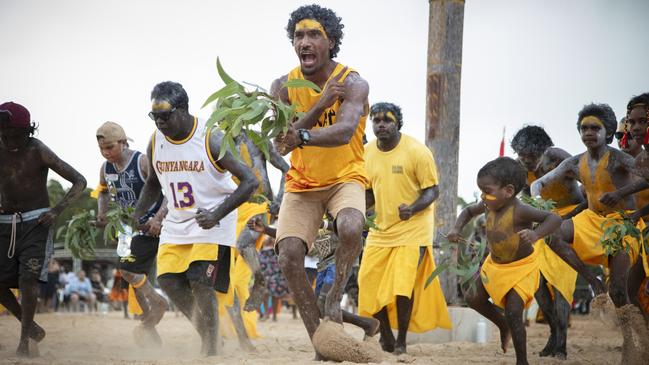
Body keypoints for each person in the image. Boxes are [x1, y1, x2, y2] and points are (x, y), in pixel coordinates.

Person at [270, 5, 369, 352]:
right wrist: (320, 104)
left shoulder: (353, 82)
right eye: (299, 35)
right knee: (288, 257)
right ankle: (321, 344)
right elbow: (281, 145)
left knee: (352, 227)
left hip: (346, 177)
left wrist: (304, 134)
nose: (305, 42)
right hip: (302, 183)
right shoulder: (282, 86)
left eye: (314, 35)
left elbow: (344, 132)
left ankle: (334, 295)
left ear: (331, 41)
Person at [133, 81, 258, 356]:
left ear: (182, 110)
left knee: (200, 279)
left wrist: (216, 215)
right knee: (167, 281)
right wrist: (139, 212)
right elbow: (153, 182)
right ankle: (209, 334)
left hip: (213, 221)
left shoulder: (210, 137)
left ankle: (211, 350)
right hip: (177, 223)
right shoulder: (156, 141)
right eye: (155, 116)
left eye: (165, 115)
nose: (160, 122)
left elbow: (250, 182)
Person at [531, 103, 649, 362]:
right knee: (553, 233)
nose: (589, 133)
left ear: (607, 132)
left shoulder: (620, 159)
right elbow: (539, 183)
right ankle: (593, 281)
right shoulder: (575, 162)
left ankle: (630, 340)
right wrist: (537, 200)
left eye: (595, 128)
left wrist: (622, 195)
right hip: (591, 220)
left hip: (622, 223)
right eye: (584, 128)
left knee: (619, 290)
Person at [448, 157, 562, 365]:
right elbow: (466, 211)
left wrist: (537, 235)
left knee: (514, 311)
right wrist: (456, 229)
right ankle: (502, 324)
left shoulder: (520, 210)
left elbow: (554, 219)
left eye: (487, 190)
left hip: (521, 269)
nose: (483, 196)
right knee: (472, 297)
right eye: (481, 190)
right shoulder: (487, 205)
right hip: (495, 266)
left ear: (508, 191)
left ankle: (522, 361)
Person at [360, 102, 451, 354]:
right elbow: (369, 191)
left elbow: (432, 189)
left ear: (397, 123)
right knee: (368, 283)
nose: (381, 124)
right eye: (376, 120)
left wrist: (412, 208)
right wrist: (358, 211)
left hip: (413, 228)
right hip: (380, 229)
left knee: (402, 286)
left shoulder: (417, 151)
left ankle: (401, 341)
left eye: (387, 120)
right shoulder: (367, 152)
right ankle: (386, 336)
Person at [0, 101, 87, 356]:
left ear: (27, 132)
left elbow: (79, 181)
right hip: (5, 224)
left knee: (28, 278)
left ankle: (25, 340)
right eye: (3, 134)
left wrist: (56, 211)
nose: (8, 140)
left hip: (37, 223)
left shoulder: (37, 150)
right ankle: (32, 328)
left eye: (14, 135)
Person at [510, 125, 583, 358]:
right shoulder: (520, 170)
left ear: (544, 150)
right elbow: (524, 201)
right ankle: (553, 332)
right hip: (544, 223)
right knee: (538, 283)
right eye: (521, 156)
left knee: (561, 283)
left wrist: (578, 215)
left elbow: (590, 183)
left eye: (531, 156)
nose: (527, 161)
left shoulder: (557, 157)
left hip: (572, 220)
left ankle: (561, 345)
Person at [95, 121, 168, 342]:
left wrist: (158, 218)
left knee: (131, 271)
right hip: (129, 230)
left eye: (110, 147)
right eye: (102, 149)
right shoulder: (105, 169)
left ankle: (158, 302)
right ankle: (149, 322)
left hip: (157, 226)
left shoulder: (141, 161)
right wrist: (102, 214)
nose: (106, 153)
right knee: (132, 274)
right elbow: (103, 192)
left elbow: (167, 192)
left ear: (123, 143)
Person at [248, 215, 380, 336]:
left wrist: (323, 223)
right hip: (323, 264)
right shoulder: (311, 211)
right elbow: (293, 237)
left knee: (327, 301)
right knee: (319, 308)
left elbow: (350, 226)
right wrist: (265, 229)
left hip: (340, 261)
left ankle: (338, 338)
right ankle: (367, 324)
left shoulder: (335, 205)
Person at [231, 134, 289, 312]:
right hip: (232, 209)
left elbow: (287, 169)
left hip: (259, 205)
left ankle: (260, 280)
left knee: (243, 243)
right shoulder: (217, 140)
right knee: (230, 275)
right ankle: (238, 333)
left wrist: (279, 200)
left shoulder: (256, 138)